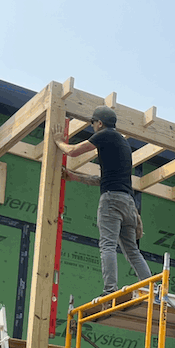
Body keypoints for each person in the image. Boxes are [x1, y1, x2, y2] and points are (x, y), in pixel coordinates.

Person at [56, 106, 152, 296]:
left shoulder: (105, 134)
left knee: (107, 245)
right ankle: (150, 288)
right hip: (128, 203)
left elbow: (74, 151)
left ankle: (109, 290)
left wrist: (58, 142)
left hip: (112, 201)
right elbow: (104, 179)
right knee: (132, 250)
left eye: (93, 123)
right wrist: (74, 177)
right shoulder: (124, 145)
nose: (93, 127)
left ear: (99, 123)